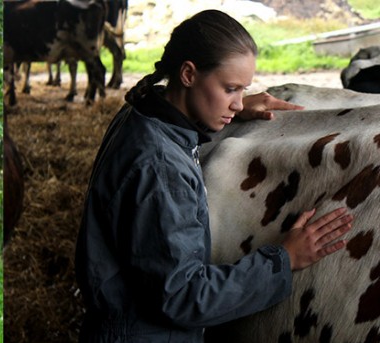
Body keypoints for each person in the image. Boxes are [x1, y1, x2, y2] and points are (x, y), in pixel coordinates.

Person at [75, 10, 354, 342]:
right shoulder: (160, 167)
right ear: (189, 74)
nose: (238, 103)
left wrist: (228, 107)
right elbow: (182, 296)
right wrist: (283, 261)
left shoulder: (141, 112)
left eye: (242, 90)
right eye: (230, 88)